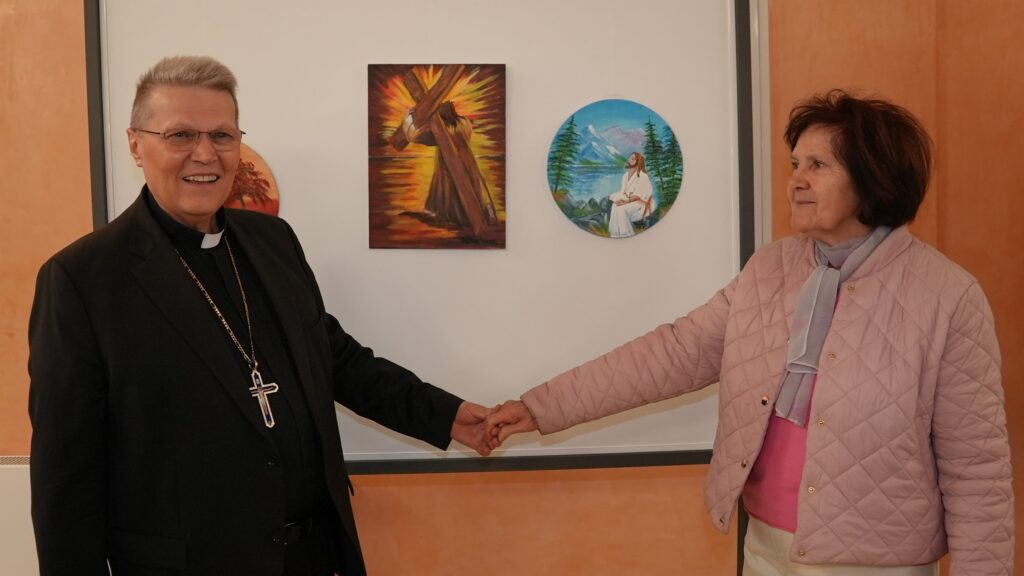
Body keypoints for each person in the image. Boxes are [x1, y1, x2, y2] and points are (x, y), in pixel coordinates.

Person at [487, 90, 1013, 574]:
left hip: (878, 563)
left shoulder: (947, 296)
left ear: (873, 178)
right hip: (764, 548)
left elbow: (977, 470)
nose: (797, 180)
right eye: (795, 164)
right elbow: (672, 353)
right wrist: (541, 407)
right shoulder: (771, 268)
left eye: (818, 165)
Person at [28, 55, 496, 576]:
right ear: (136, 145)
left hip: (312, 556)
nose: (205, 153)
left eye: (222, 135)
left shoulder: (273, 241)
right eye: (180, 135)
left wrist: (445, 415)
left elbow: (336, 360)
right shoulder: (82, 279)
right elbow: (65, 480)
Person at [607, 151, 655, 238]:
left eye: (632, 159)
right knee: (615, 205)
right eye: (630, 158)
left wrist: (625, 201)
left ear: (638, 162)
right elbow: (623, 192)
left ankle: (626, 235)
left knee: (621, 209)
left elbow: (638, 195)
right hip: (629, 200)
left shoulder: (642, 176)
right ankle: (615, 235)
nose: (629, 160)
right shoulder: (625, 175)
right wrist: (621, 199)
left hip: (641, 203)